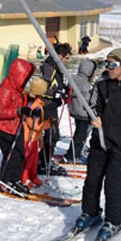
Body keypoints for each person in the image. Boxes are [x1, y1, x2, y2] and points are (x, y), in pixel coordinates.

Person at [73, 48, 121, 241]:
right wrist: (95, 117)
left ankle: (113, 221)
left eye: (113, 65)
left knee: (112, 184)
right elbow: (93, 105)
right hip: (100, 140)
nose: (109, 68)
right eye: (106, 64)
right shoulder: (101, 82)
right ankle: (90, 213)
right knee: (92, 180)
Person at [0, 58, 35, 194]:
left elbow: (18, 102)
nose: (26, 81)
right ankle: (5, 181)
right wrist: (18, 112)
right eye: (25, 77)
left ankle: (15, 180)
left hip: (15, 125)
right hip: (2, 127)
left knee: (20, 154)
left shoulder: (17, 88)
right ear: (18, 75)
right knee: (11, 155)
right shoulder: (5, 89)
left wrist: (28, 100)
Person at [38, 43, 71, 176]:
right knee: (52, 135)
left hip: (51, 104)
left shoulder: (55, 67)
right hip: (47, 105)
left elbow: (56, 84)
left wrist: (64, 90)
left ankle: (44, 160)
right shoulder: (50, 68)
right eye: (66, 58)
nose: (67, 61)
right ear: (59, 56)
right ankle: (43, 163)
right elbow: (43, 87)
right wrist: (57, 93)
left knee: (51, 135)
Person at [63, 59, 98, 164]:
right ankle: (72, 155)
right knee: (81, 135)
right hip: (83, 112)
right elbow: (89, 100)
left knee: (79, 134)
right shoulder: (86, 84)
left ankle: (73, 152)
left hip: (74, 109)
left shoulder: (73, 78)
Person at [21, 78, 52, 188]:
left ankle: (32, 175)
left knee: (34, 160)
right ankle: (24, 178)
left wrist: (40, 139)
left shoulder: (39, 104)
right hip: (28, 138)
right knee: (27, 160)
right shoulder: (33, 105)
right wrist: (47, 124)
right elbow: (33, 125)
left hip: (35, 138)